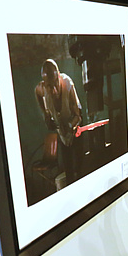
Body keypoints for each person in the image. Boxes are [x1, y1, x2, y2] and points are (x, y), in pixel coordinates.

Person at [34, 58, 83, 186]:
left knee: (80, 167)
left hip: (75, 129)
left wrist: (69, 125)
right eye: (50, 86)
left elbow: (78, 116)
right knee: (68, 171)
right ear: (45, 84)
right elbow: (37, 93)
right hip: (61, 133)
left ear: (59, 76)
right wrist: (45, 114)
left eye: (56, 83)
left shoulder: (67, 84)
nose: (54, 90)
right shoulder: (42, 88)